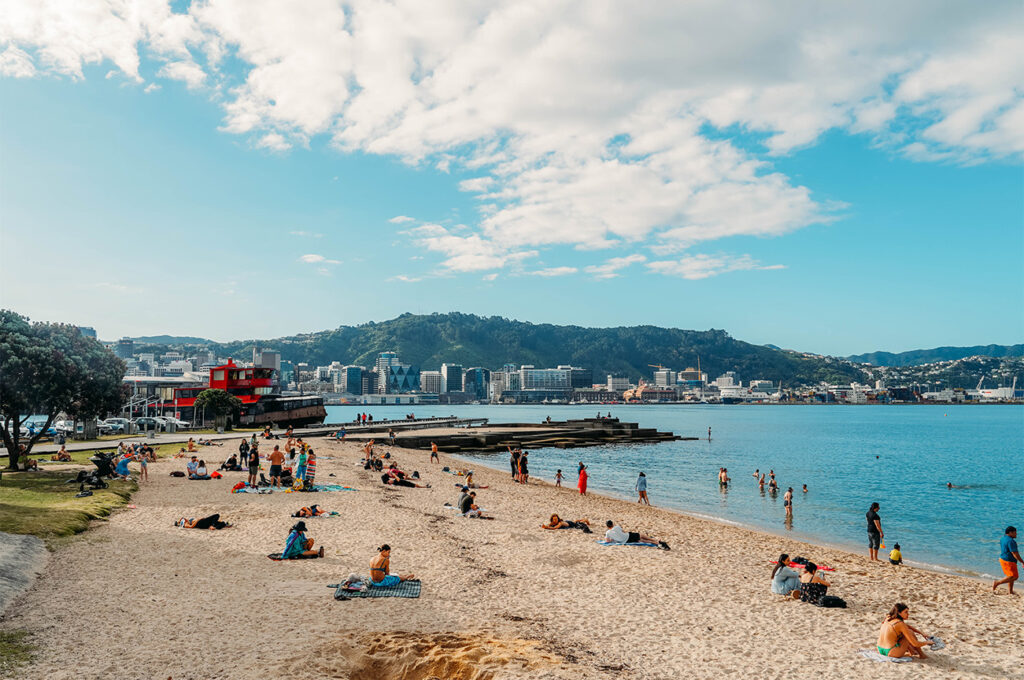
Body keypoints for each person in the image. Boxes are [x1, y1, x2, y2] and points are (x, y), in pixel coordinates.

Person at [604, 520, 669, 549]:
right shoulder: (617, 527)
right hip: (628, 536)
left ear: (607, 526)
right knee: (640, 535)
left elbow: (607, 541)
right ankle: (654, 540)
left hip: (625, 541)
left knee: (640, 540)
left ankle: (655, 542)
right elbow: (624, 532)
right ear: (612, 524)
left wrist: (613, 539)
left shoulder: (607, 533)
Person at [993, 526, 1021, 594]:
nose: (1016, 534)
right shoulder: (1011, 541)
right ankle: (997, 582)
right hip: (1009, 561)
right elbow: (1014, 553)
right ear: (1010, 533)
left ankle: (1010, 591)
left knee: (1010, 575)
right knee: (1014, 577)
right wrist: (1022, 562)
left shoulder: (1003, 538)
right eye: (1015, 533)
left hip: (1003, 559)